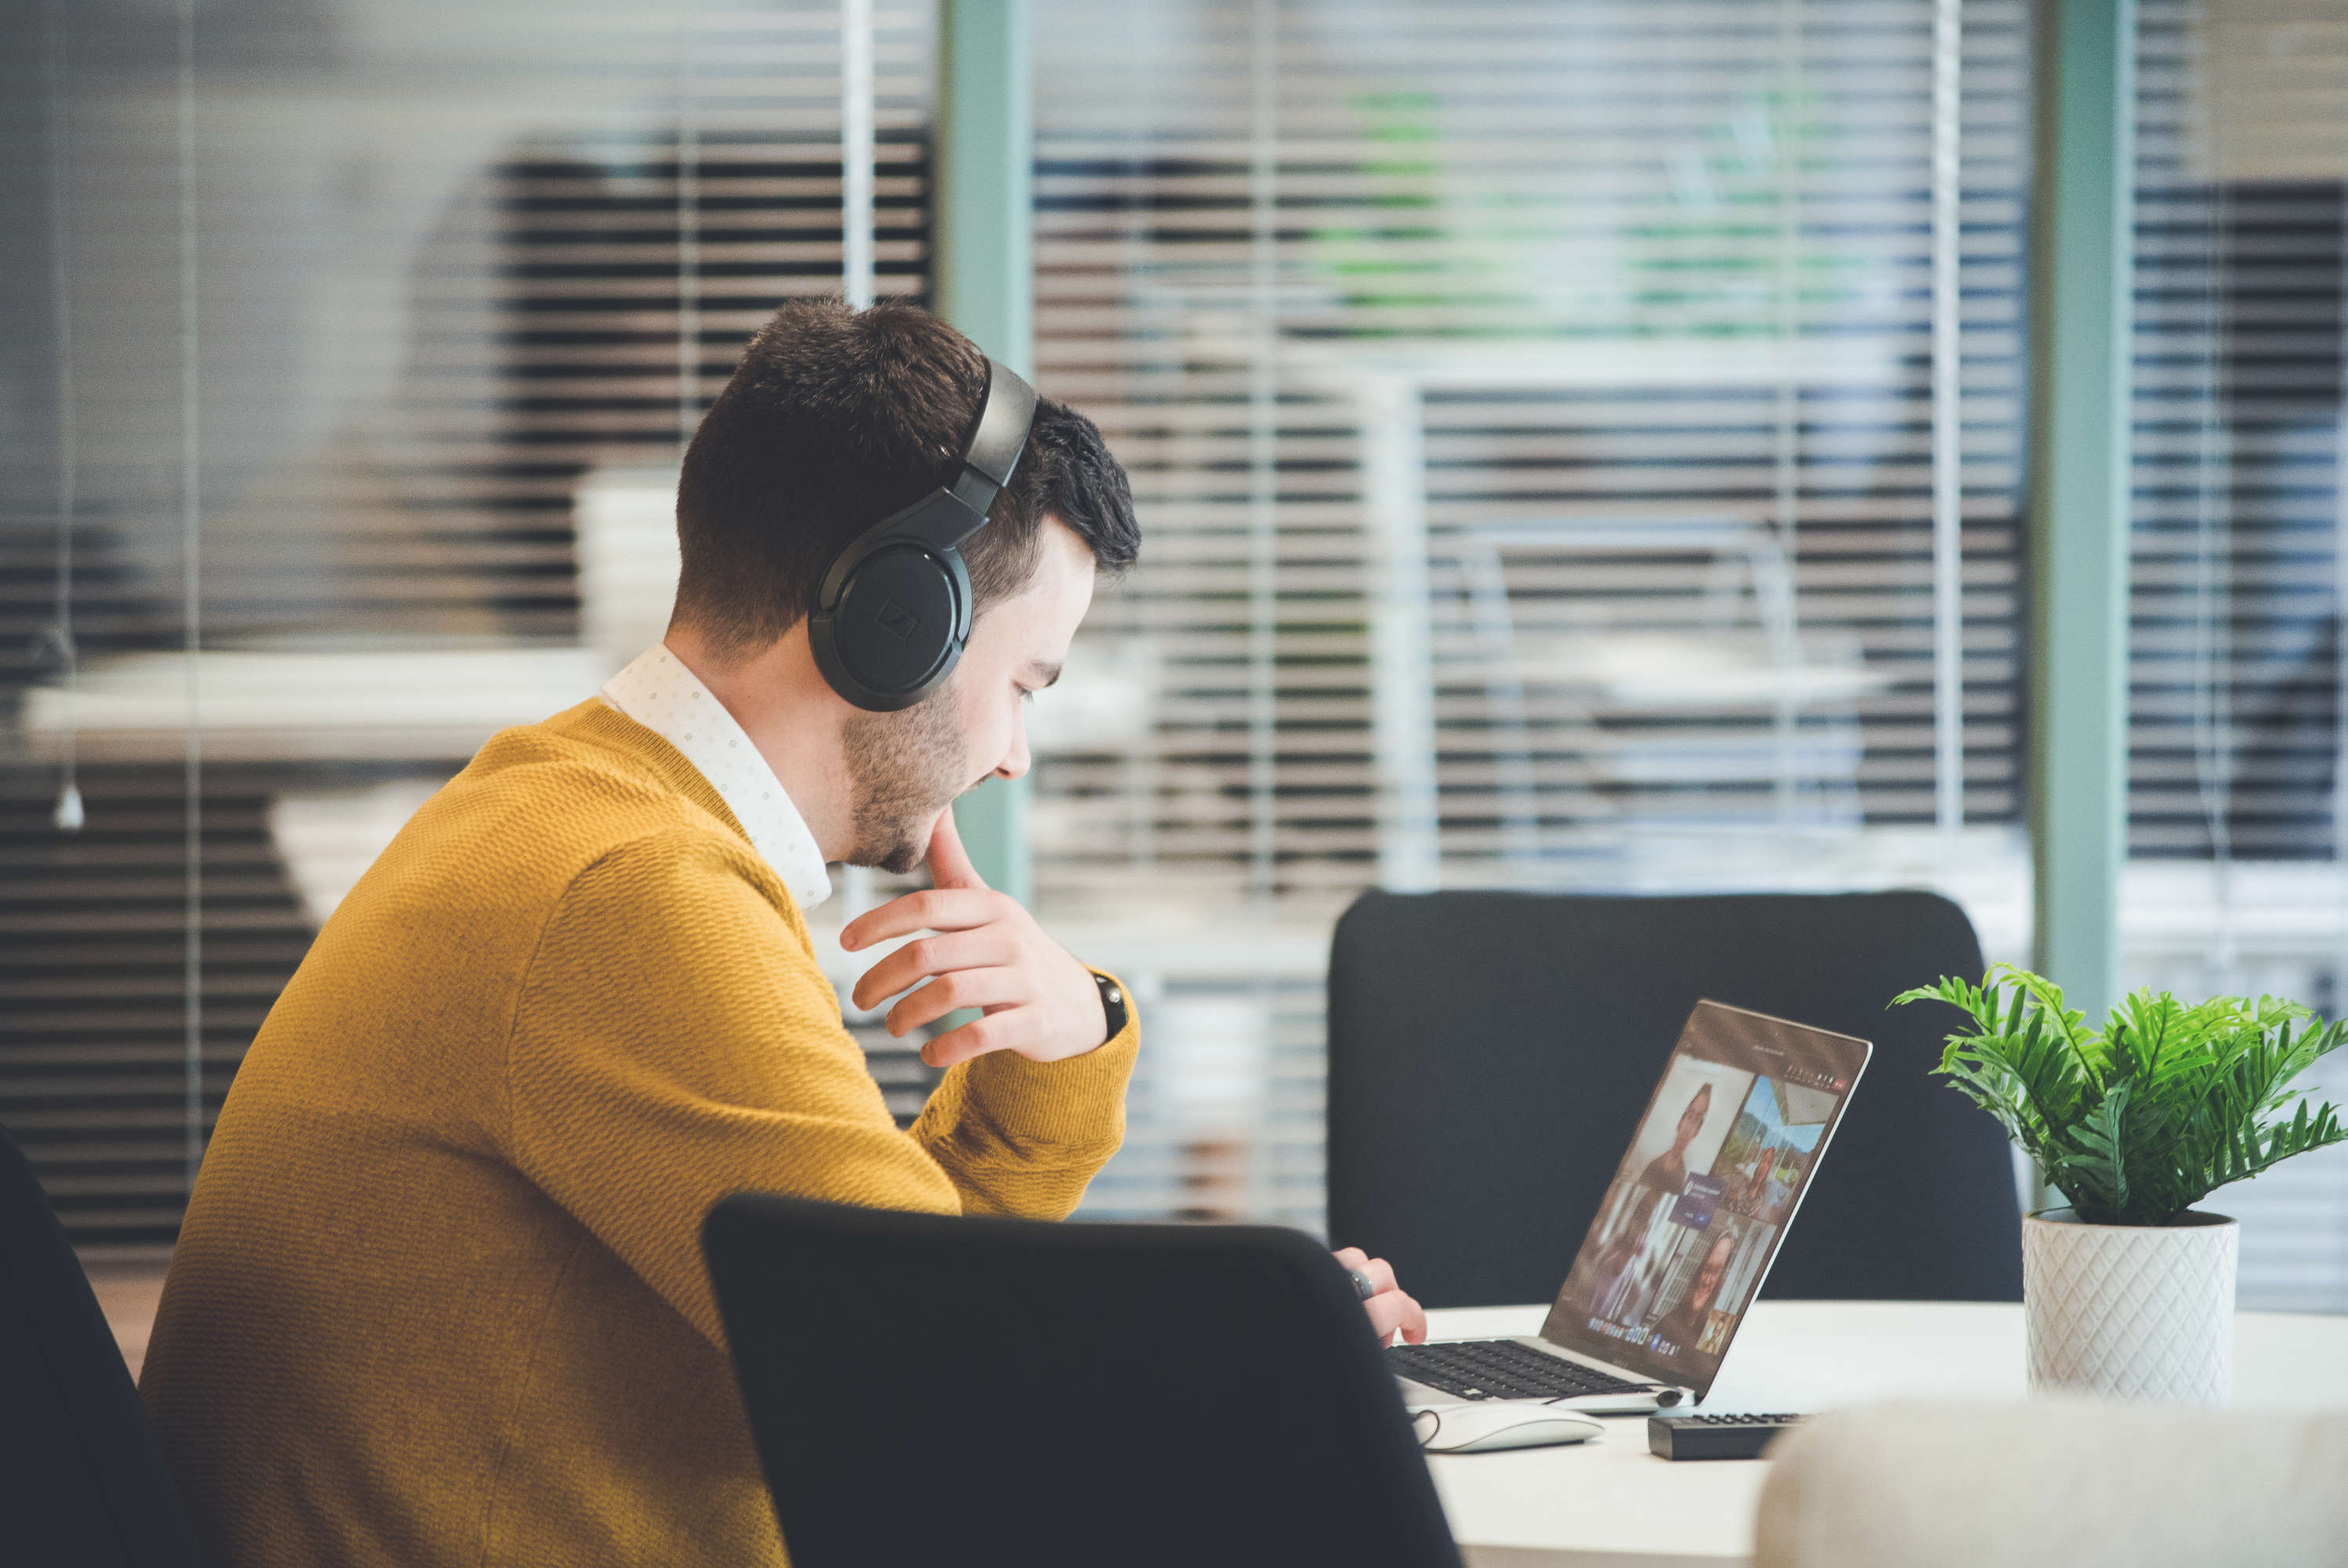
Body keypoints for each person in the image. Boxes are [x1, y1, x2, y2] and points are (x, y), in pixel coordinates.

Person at [137, 299, 1424, 1568]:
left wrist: (1056, 1055)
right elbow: (947, 1402)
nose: (1015, 759)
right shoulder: (630, 895)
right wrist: (1277, 1358)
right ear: (897, 625)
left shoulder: (562, 803)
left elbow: (890, 1319)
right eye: (1025, 687)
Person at [1650, 1229, 1739, 1359]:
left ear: (1723, 1279)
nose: (1707, 1281)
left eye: (1716, 1272)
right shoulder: (1669, 1321)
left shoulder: (1716, 1334)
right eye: (1706, 1269)